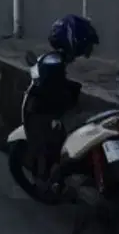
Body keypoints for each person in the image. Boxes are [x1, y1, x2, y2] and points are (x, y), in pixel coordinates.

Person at [21, 14, 100, 191]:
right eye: (84, 45)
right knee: (55, 143)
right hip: (53, 113)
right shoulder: (53, 62)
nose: (85, 51)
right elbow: (52, 88)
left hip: (52, 112)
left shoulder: (53, 60)